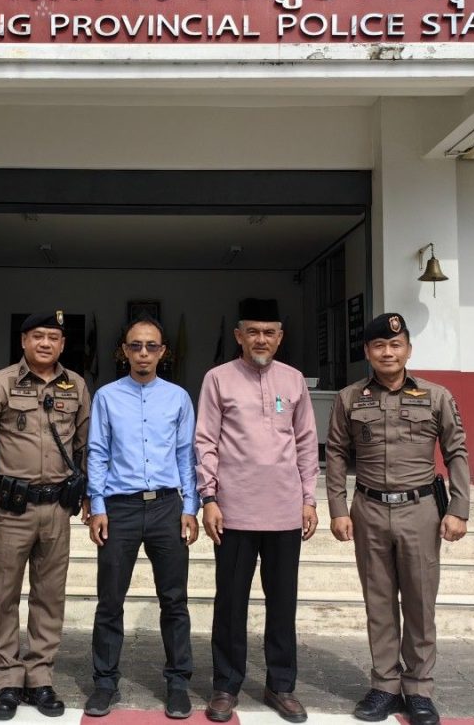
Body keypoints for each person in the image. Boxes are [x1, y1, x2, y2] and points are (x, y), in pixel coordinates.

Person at [324, 312, 471, 725]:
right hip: (368, 509)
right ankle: (385, 687)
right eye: (379, 346)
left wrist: (458, 508)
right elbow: (335, 453)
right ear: (367, 351)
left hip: (420, 510)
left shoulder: (436, 396)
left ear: (408, 349)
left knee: (420, 602)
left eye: (395, 345)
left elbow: (456, 451)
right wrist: (338, 508)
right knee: (379, 602)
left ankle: (419, 689)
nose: (387, 352)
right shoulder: (349, 398)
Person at [195, 298, 319, 724]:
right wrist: (209, 498)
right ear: (239, 336)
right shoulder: (218, 379)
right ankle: (226, 685)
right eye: (253, 331)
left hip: (284, 510)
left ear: (280, 337)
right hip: (233, 511)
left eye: (269, 332)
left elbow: (306, 442)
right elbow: (205, 440)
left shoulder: (294, 380)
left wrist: (308, 499)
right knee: (231, 602)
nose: (261, 339)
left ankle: (281, 685)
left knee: (282, 602)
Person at [0, 311, 91, 721]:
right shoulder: (0, 383)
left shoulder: (76, 386)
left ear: (63, 344)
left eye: (53, 337)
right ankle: (8, 680)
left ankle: (40, 678)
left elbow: (86, 446)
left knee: (49, 595)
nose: (45, 343)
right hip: (11, 509)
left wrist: (90, 496)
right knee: (4, 594)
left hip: (57, 508)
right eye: (37, 336)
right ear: (23, 341)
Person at [83, 315, 200, 719]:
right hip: (121, 508)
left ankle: (178, 683)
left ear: (163, 351)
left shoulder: (178, 398)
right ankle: (104, 682)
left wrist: (190, 507)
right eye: (136, 346)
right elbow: (97, 452)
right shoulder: (107, 397)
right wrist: (98, 506)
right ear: (124, 351)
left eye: (151, 346)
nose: (143, 353)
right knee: (110, 600)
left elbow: (186, 455)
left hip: (167, 507)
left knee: (174, 600)